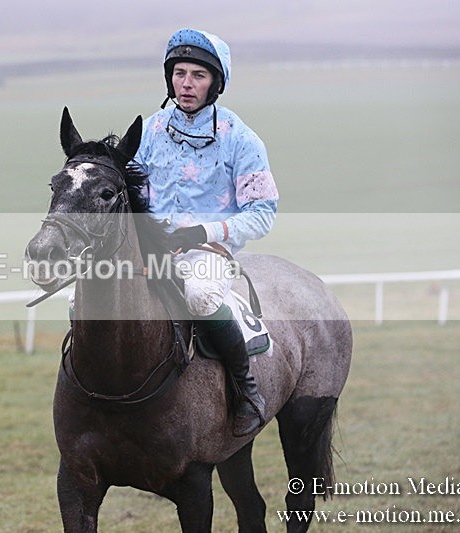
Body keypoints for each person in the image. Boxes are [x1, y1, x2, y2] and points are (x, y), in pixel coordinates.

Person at [132, 28, 278, 437]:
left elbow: (263, 214)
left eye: (198, 75)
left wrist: (201, 232)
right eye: (179, 73)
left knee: (199, 295)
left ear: (216, 83)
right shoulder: (146, 131)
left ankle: (246, 391)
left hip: (208, 252)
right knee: (82, 297)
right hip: (148, 251)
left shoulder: (242, 139)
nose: (186, 83)